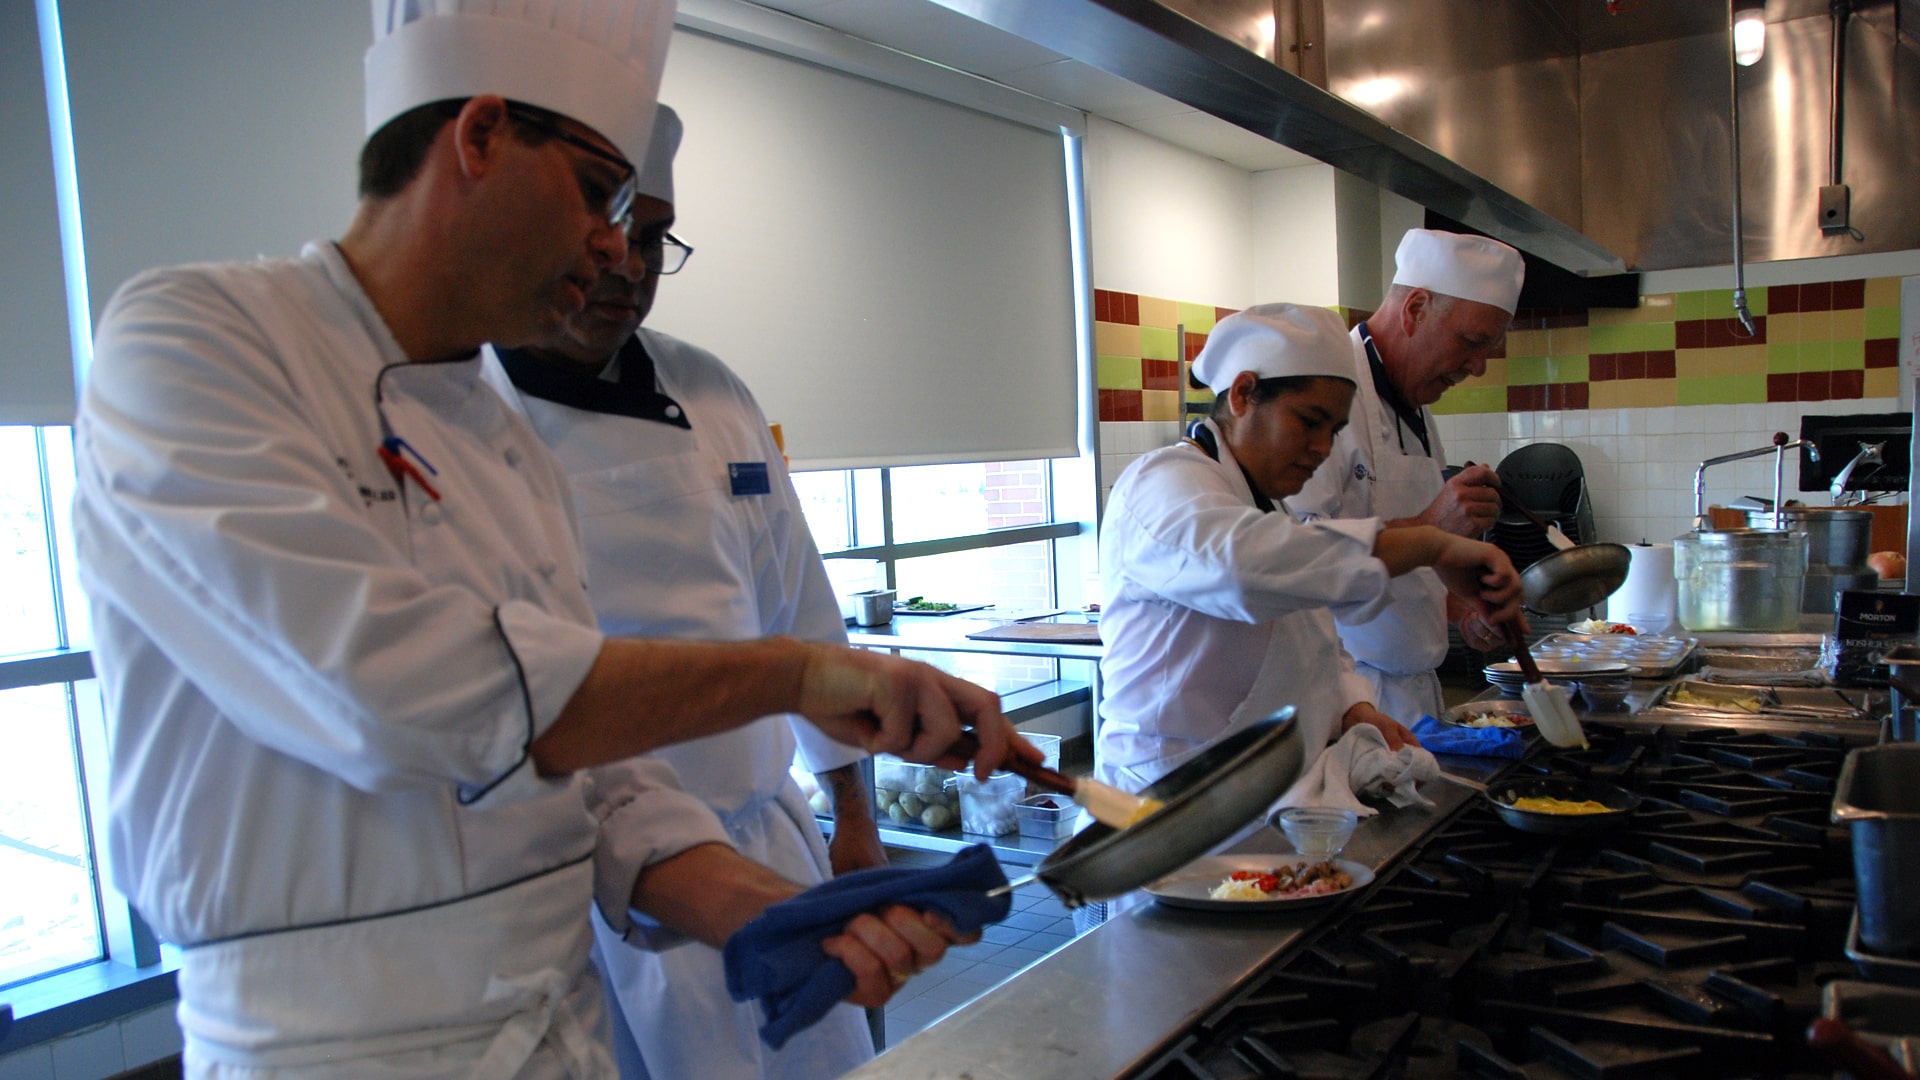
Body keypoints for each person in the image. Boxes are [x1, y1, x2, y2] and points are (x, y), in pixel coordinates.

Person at [70, 4, 1029, 1077]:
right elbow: (406, 692)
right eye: (596, 192)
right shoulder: (198, 342)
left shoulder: (498, 444)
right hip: (331, 1049)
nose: (618, 249)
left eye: (635, 214)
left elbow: (596, 780)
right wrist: (798, 675)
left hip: (553, 1031)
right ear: (479, 136)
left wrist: (766, 910)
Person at [485, 104, 883, 1079]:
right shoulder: (464, 414)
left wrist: (854, 808)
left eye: (656, 236)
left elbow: (800, 606)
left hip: (766, 837)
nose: (627, 262)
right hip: (604, 892)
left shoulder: (711, 391)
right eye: (606, 228)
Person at [1096, 303, 1526, 794]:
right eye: (1309, 421)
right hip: (1169, 807)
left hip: (1258, 795)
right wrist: (1432, 544)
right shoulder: (1162, 484)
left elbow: (1309, 638)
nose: (1322, 449)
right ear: (1243, 394)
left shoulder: (1265, 505)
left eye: (1334, 431)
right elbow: (1244, 570)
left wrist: (1353, 706)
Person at [1289, 229, 1526, 725]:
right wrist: (1435, 528)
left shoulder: (1414, 404)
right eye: (1472, 341)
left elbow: (1414, 565)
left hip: (1416, 692)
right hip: (1348, 699)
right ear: (1416, 308)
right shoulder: (1328, 395)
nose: (1478, 367)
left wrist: (1463, 611)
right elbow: (1295, 558)